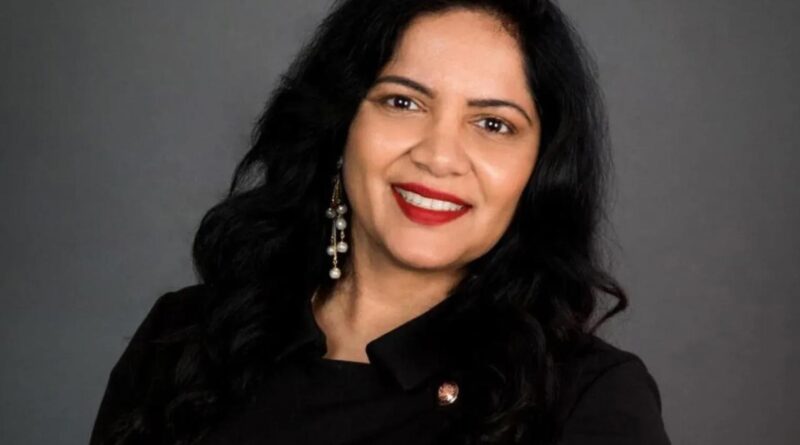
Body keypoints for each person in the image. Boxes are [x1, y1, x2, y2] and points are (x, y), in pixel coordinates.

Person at [90, 0, 672, 444]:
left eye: (493, 124)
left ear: (539, 170)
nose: (438, 156)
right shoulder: (186, 339)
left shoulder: (585, 398)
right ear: (340, 125)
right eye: (403, 102)